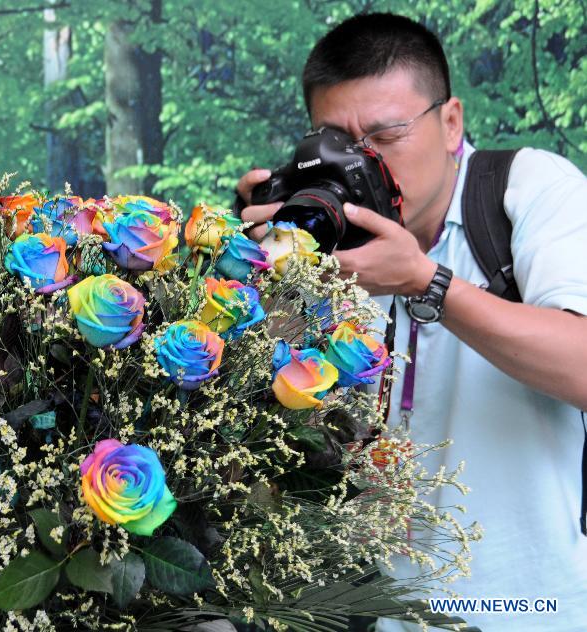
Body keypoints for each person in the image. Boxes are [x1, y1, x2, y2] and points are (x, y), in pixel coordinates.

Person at [236, 13, 587, 632]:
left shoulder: (527, 188)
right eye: (337, 144)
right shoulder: (321, 234)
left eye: (385, 135)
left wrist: (424, 282)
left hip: (533, 607)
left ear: (450, 123)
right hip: (371, 613)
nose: (360, 164)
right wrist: (266, 271)